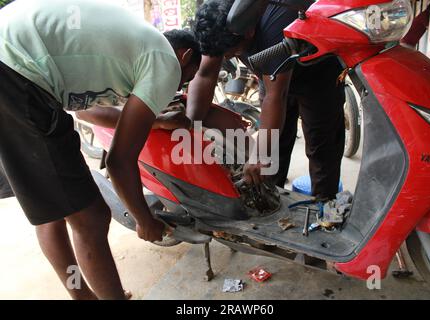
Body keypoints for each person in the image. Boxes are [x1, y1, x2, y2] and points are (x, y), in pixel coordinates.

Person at [0, 0, 200, 299]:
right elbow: (120, 161)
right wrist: (144, 221)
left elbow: (86, 112)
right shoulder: (165, 62)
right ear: (184, 58)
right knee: (91, 217)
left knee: (50, 212)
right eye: (188, 77)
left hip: (13, 56)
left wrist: (154, 122)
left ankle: (83, 296)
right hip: (17, 70)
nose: (180, 86)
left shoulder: (134, 48)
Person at [189, 0, 345, 200]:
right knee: (274, 150)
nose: (231, 57)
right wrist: (188, 125)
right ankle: (270, 201)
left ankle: (325, 210)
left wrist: (260, 156)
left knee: (321, 147)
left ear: (249, 32)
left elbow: (276, 95)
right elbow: (204, 74)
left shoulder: (271, 25)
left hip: (317, 74)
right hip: (271, 74)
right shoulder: (221, 23)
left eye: (233, 53)